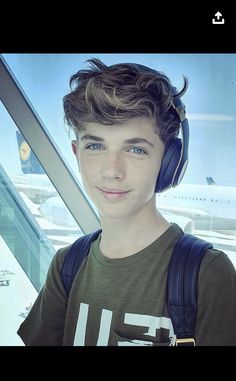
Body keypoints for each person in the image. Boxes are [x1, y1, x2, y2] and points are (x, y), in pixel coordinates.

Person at [17, 58, 236, 346]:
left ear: (171, 162)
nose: (111, 171)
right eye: (95, 146)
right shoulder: (66, 265)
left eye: (135, 149)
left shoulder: (207, 275)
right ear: (76, 153)